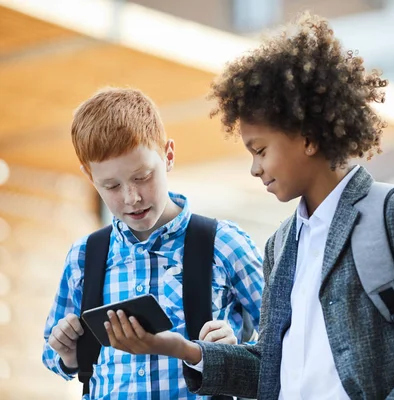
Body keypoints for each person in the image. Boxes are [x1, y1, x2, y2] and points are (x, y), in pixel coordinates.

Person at [106, 12, 394, 400]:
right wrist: (180, 348)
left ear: (309, 137)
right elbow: (270, 369)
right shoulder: (281, 245)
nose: (254, 168)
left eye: (261, 150)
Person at [42, 87, 264, 399]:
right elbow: (52, 356)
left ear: (168, 156)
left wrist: (230, 352)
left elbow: (285, 344)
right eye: (111, 185)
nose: (132, 197)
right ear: (89, 177)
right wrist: (66, 354)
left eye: (142, 177)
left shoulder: (224, 244)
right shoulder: (84, 256)